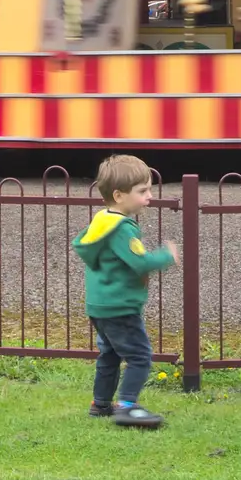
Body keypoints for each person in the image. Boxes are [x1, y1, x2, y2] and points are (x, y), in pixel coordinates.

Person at [72, 154, 179, 429]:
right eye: (142, 191)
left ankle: (101, 404)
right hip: (120, 307)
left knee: (109, 354)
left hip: (100, 305)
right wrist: (166, 256)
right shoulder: (122, 229)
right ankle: (128, 406)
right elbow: (139, 261)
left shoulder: (101, 221)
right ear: (119, 195)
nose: (150, 196)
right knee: (140, 356)